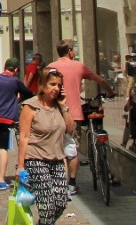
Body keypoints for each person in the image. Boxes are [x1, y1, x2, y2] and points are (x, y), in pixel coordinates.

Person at [47, 40, 114, 195]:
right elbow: (101, 80)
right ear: (69, 51)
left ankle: (57, 182)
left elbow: (42, 89)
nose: (74, 52)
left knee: (56, 148)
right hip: (73, 114)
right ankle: (71, 184)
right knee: (72, 149)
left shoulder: (51, 67)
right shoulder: (78, 66)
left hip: (54, 113)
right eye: (74, 50)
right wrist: (110, 92)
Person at [17, 68, 75, 225]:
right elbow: (24, 136)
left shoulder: (59, 107)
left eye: (59, 85)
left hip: (56, 160)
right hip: (36, 159)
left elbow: (70, 129)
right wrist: (21, 166)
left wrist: (64, 106)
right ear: (42, 85)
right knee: (47, 206)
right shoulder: (30, 106)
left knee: (61, 202)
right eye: (52, 84)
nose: (56, 88)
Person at [0, 57, 33, 190]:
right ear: (15, 70)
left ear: (4, 67)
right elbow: (29, 94)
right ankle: (2, 180)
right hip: (6, 118)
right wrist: (18, 99)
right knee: (3, 147)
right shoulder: (15, 82)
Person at [122, 85, 136, 151]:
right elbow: (126, 109)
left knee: (129, 126)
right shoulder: (133, 99)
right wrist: (131, 102)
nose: (135, 95)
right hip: (134, 121)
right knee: (128, 127)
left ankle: (124, 143)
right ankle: (124, 143)